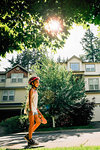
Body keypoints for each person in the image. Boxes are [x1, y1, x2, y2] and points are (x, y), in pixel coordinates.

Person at [24, 76, 47, 146]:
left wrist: (39, 112)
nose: (38, 83)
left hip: (34, 109)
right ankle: (30, 140)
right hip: (31, 109)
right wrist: (30, 110)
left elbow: (35, 103)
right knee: (31, 124)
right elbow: (30, 101)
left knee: (38, 122)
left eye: (38, 82)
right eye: (36, 82)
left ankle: (28, 136)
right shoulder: (31, 90)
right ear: (32, 83)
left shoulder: (35, 91)